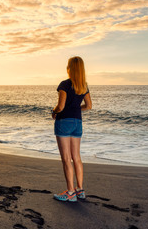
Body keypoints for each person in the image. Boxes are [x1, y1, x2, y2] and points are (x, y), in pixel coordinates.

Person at [52, 56, 92, 202]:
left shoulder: (64, 84)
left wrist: (54, 111)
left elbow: (60, 106)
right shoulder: (83, 86)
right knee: (77, 158)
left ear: (70, 68)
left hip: (64, 122)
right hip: (77, 123)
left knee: (66, 159)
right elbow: (88, 106)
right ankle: (80, 190)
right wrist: (76, 108)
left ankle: (70, 192)